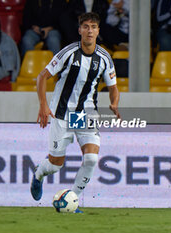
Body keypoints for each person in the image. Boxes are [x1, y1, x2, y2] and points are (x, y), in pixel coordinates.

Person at [30, 12, 120, 213]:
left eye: (93, 27)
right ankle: (38, 174)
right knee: (55, 165)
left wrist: (114, 103)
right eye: (86, 27)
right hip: (62, 113)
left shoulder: (104, 57)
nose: (90, 31)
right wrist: (43, 105)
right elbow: (42, 77)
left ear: (98, 30)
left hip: (85, 115)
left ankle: (73, 200)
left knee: (91, 159)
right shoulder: (68, 53)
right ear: (79, 30)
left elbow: (113, 86)